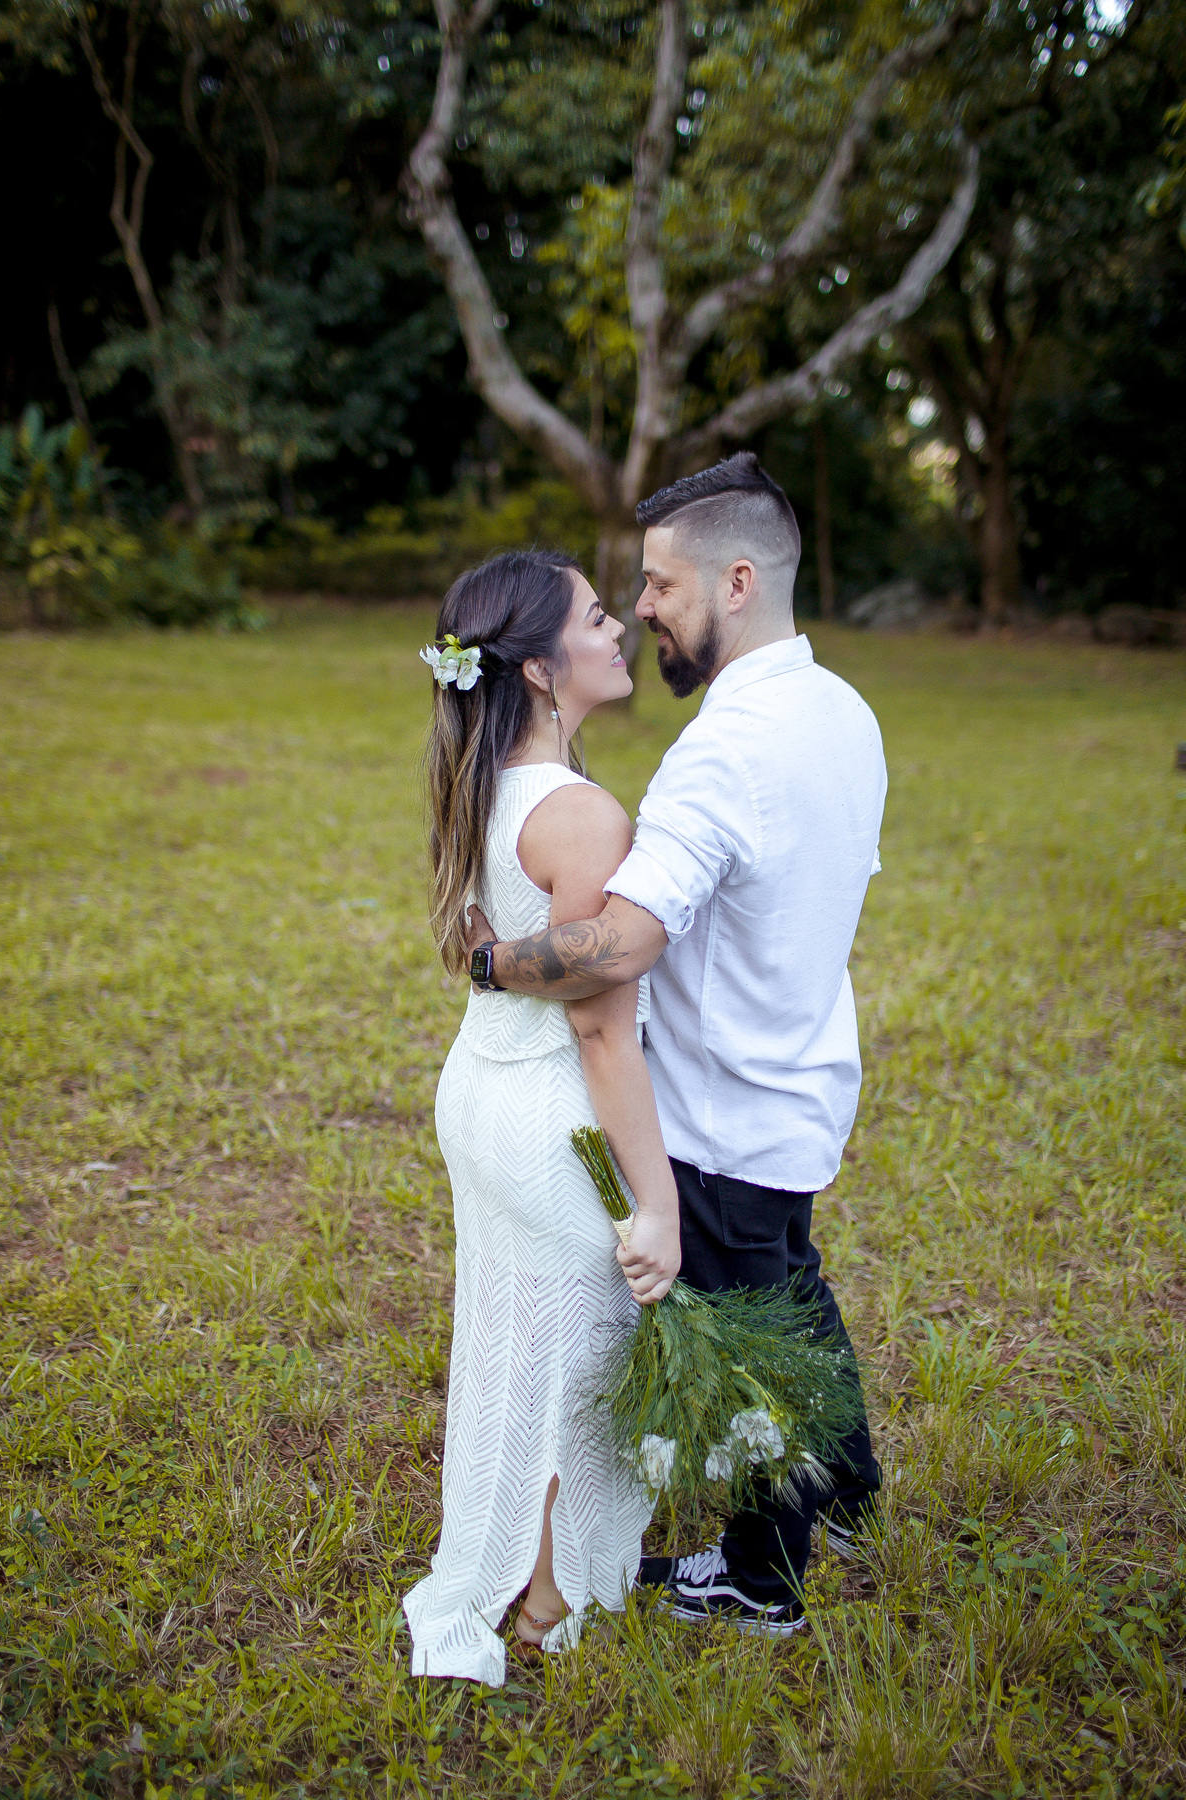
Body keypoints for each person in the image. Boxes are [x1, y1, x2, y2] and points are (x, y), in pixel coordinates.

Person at [466, 453, 887, 1637]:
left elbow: (614, 947)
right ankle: (847, 1490)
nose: (643, 605)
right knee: (791, 1287)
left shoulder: (723, 750)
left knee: (754, 1347)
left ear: (736, 582)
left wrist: (494, 962)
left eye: (660, 584)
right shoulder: (842, 710)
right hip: (802, 1073)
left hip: (722, 1103)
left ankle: (760, 1576)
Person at [403, 550, 681, 1685]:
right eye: (598, 617)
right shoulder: (582, 815)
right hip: (553, 1119)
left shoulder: (482, 784)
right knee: (586, 1348)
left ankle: (513, 1551)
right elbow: (602, 1030)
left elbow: (482, 945)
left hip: (479, 1094)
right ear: (537, 665)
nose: (620, 628)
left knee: (516, 1340)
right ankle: (550, 1598)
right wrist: (656, 1202)